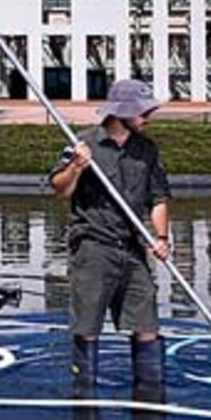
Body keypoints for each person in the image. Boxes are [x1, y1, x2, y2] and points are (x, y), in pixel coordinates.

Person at [49, 78, 171, 393]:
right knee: (88, 327)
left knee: (146, 325)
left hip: (132, 249)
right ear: (121, 112)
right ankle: (84, 395)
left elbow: (158, 198)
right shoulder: (83, 144)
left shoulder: (146, 150)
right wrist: (76, 167)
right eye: (143, 112)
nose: (148, 117)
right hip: (93, 248)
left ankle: (150, 394)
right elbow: (59, 189)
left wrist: (161, 238)